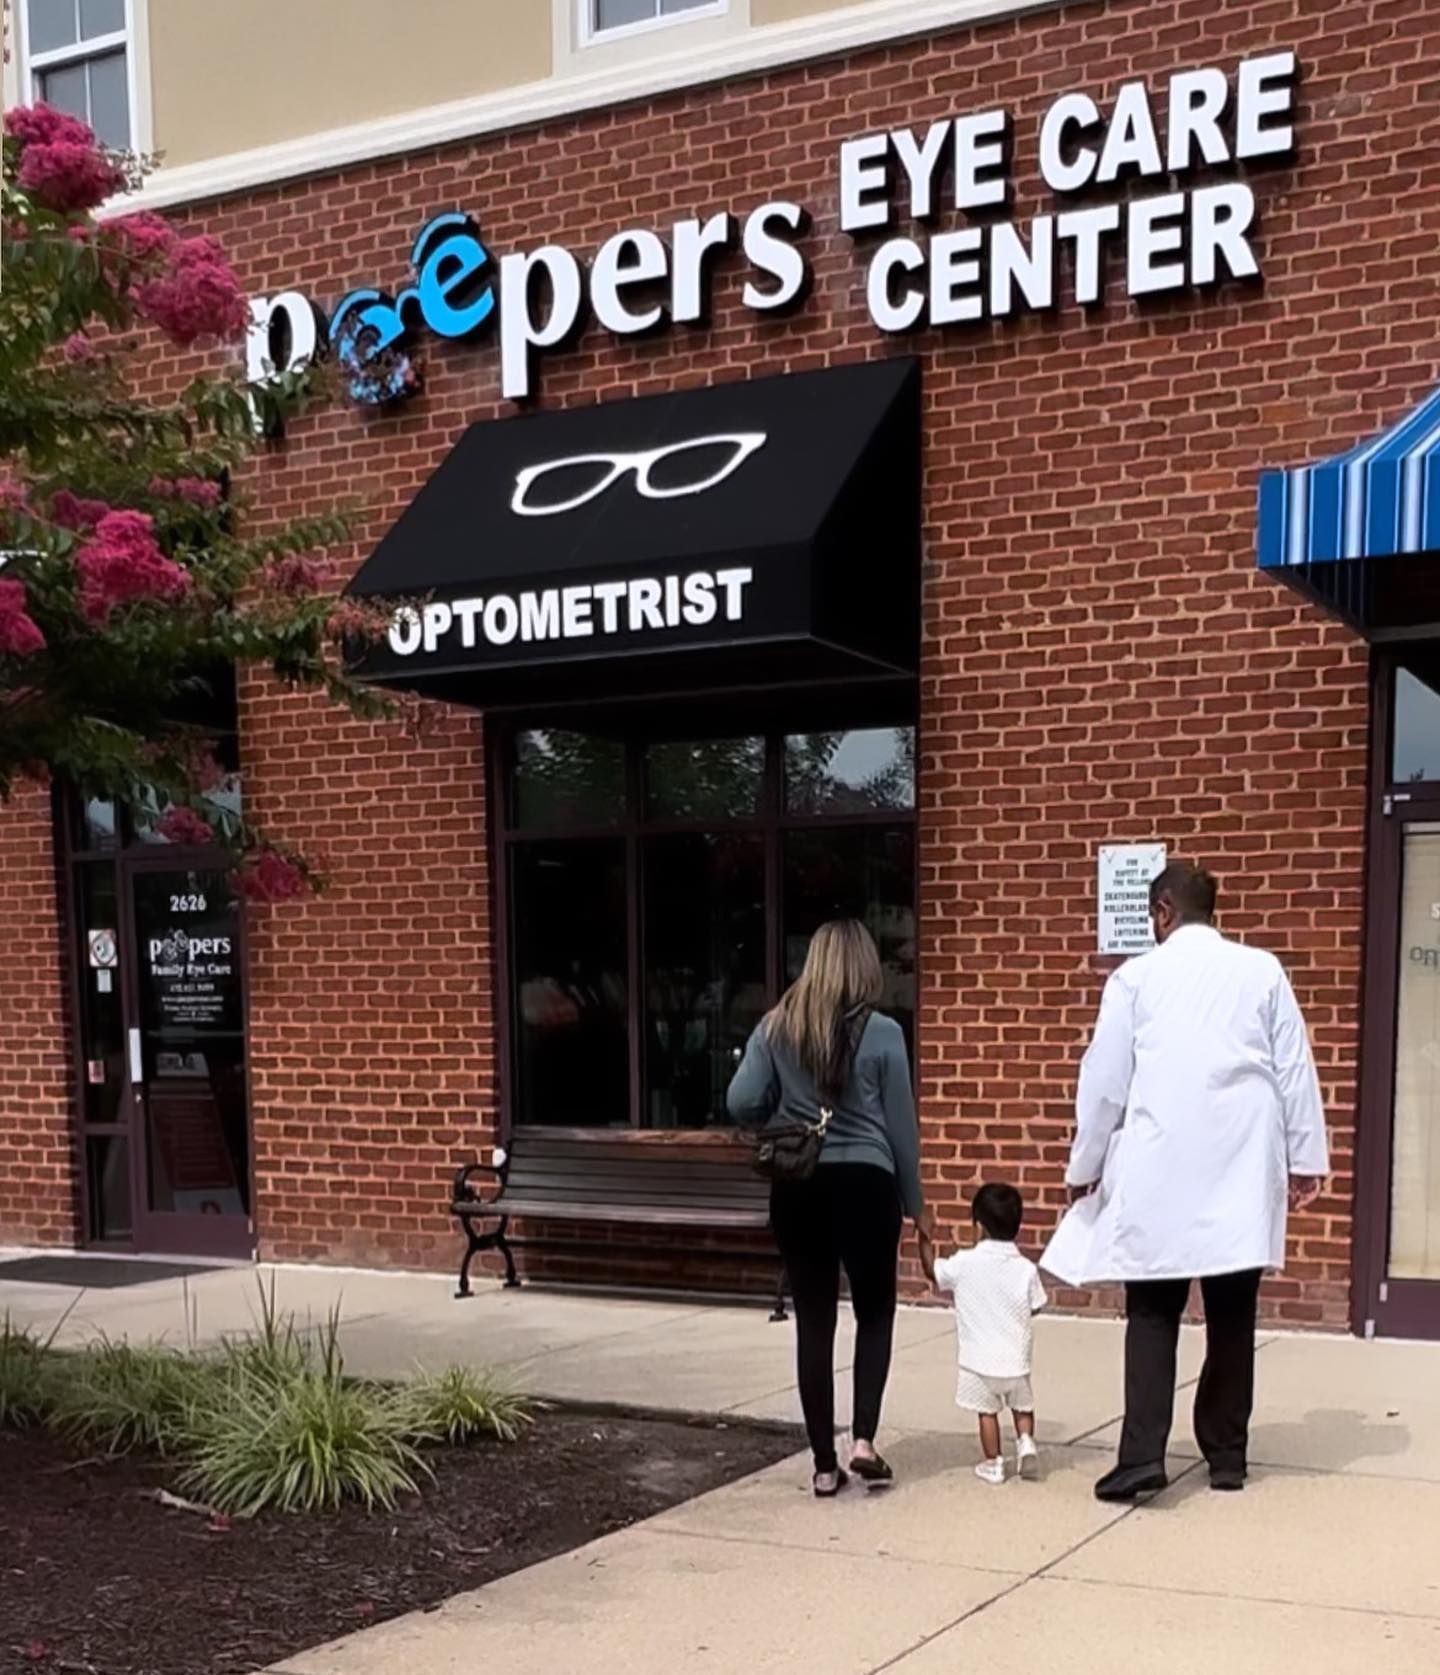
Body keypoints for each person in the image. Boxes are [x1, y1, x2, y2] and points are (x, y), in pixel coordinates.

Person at [1043, 861, 1329, 1502]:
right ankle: (1227, 1456)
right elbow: (1294, 1068)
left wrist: (1082, 1168)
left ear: (1163, 911)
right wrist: (1305, 1157)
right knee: (1233, 1315)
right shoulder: (1262, 971)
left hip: (1160, 1164)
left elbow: (1105, 1081)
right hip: (1241, 1162)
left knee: (1151, 1312)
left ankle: (1143, 1454)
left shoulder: (1135, 979)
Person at [728, 918, 928, 1497]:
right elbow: (902, 1131)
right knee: (876, 1312)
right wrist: (919, 1210)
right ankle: (863, 1441)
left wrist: (782, 1110)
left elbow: (740, 1100)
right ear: (865, 966)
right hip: (867, 1184)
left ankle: (822, 1465)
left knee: (814, 1323)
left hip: (800, 1186)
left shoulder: (777, 1025)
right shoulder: (886, 1032)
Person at [924, 1182, 1046, 1485]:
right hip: (1016, 1360)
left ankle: (993, 1463)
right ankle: (1026, 1441)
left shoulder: (964, 1264)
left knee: (987, 1413)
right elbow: (1037, 1306)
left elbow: (932, 1272)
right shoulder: (1026, 1269)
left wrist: (923, 1237)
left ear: (978, 1227)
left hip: (978, 1362)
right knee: (1022, 1406)